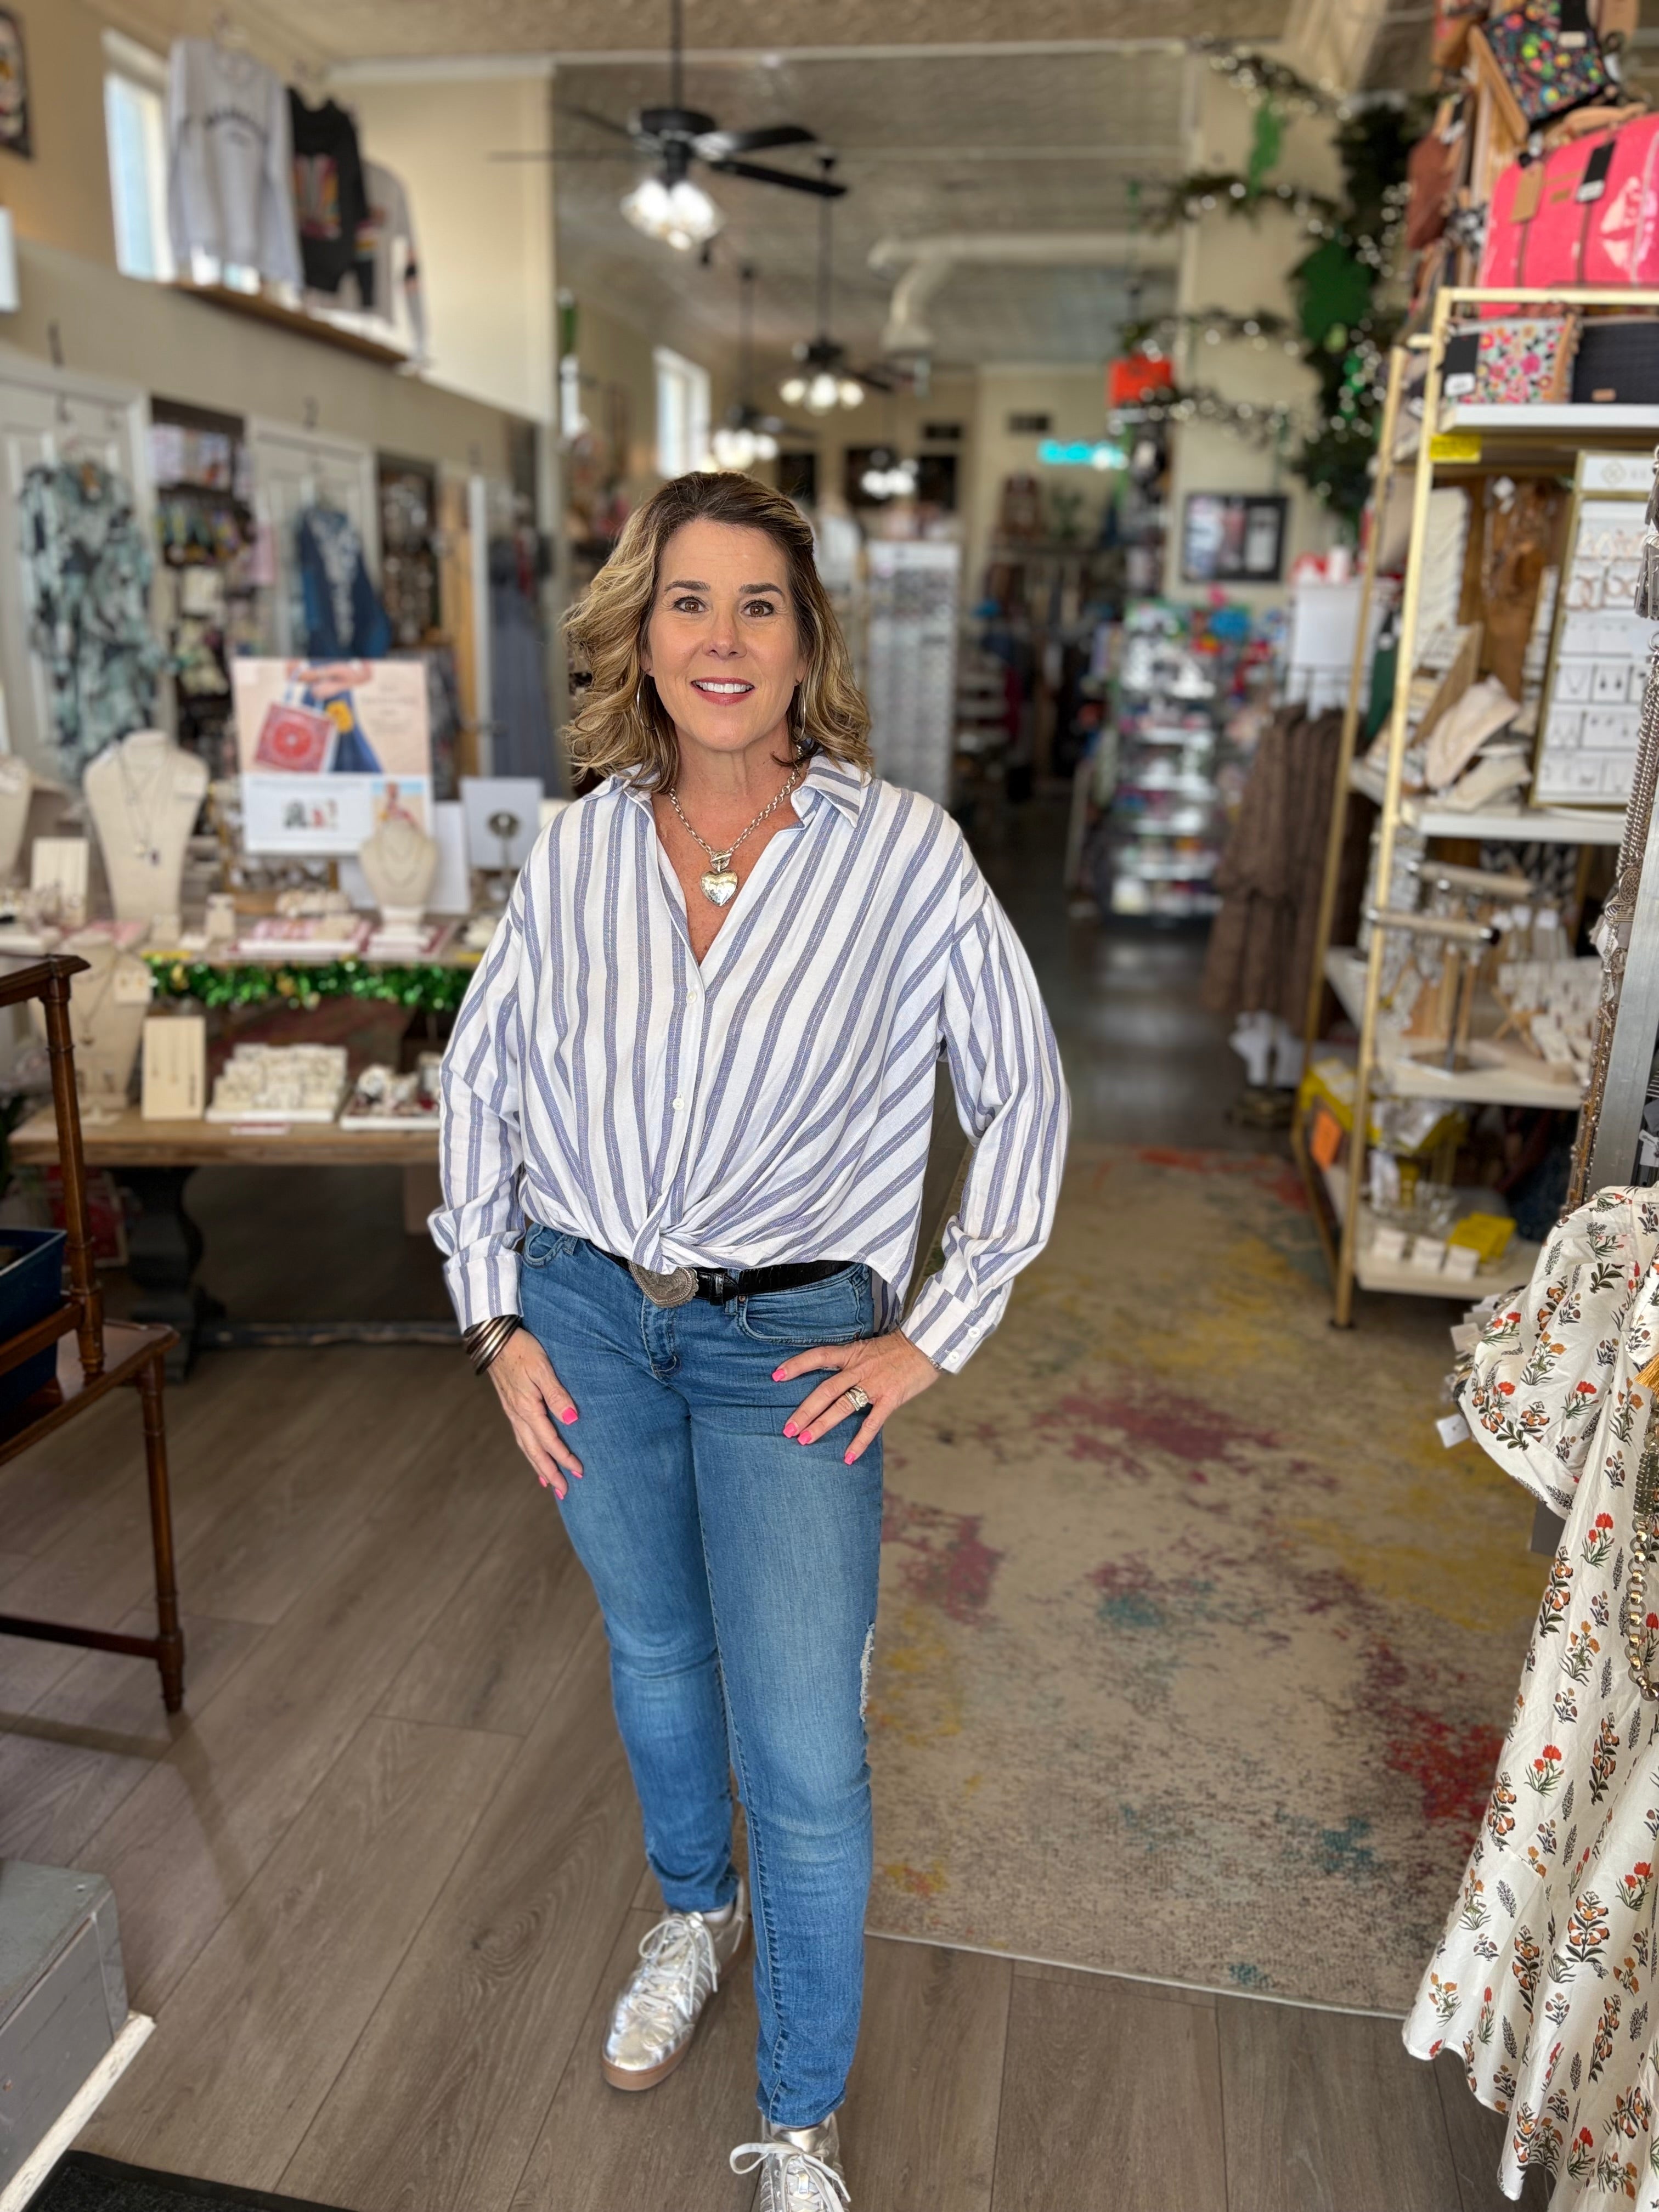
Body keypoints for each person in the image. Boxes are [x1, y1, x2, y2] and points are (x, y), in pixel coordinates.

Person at [432, 471, 1066, 2211]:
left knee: (803, 1747)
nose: (722, 639)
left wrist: (932, 1334)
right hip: (584, 1317)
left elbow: (1022, 1096)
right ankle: (693, 1914)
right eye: (688, 602)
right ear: (642, 636)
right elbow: (480, 1084)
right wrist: (495, 1314)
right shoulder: (577, 850)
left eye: (758, 605)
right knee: (654, 1653)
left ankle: (797, 2120)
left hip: (793, 1344)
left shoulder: (903, 856)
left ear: (807, 642)